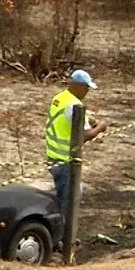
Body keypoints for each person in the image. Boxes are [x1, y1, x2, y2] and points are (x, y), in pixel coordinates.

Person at [46, 69, 108, 207]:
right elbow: (86, 136)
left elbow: (68, 121)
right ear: (78, 85)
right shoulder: (74, 105)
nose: (87, 92)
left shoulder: (60, 98)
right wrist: (100, 127)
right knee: (68, 201)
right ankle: (62, 227)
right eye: (86, 88)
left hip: (53, 156)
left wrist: (90, 122)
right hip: (65, 160)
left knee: (72, 193)